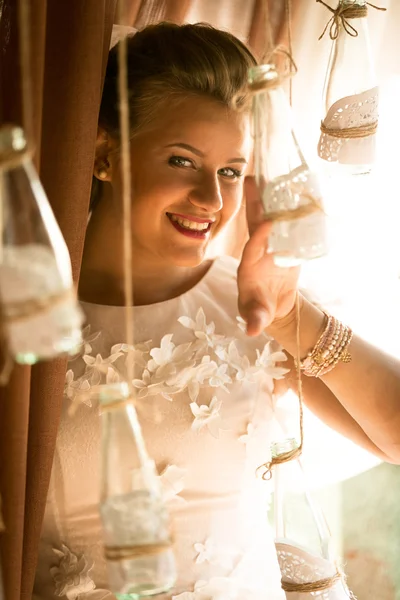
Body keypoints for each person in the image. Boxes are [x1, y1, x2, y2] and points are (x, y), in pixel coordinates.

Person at [34, 21, 400, 600]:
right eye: (182, 161)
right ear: (106, 153)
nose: (211, 200)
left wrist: (289, 320)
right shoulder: (25, 308)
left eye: (231, 171)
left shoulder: (251, 303)